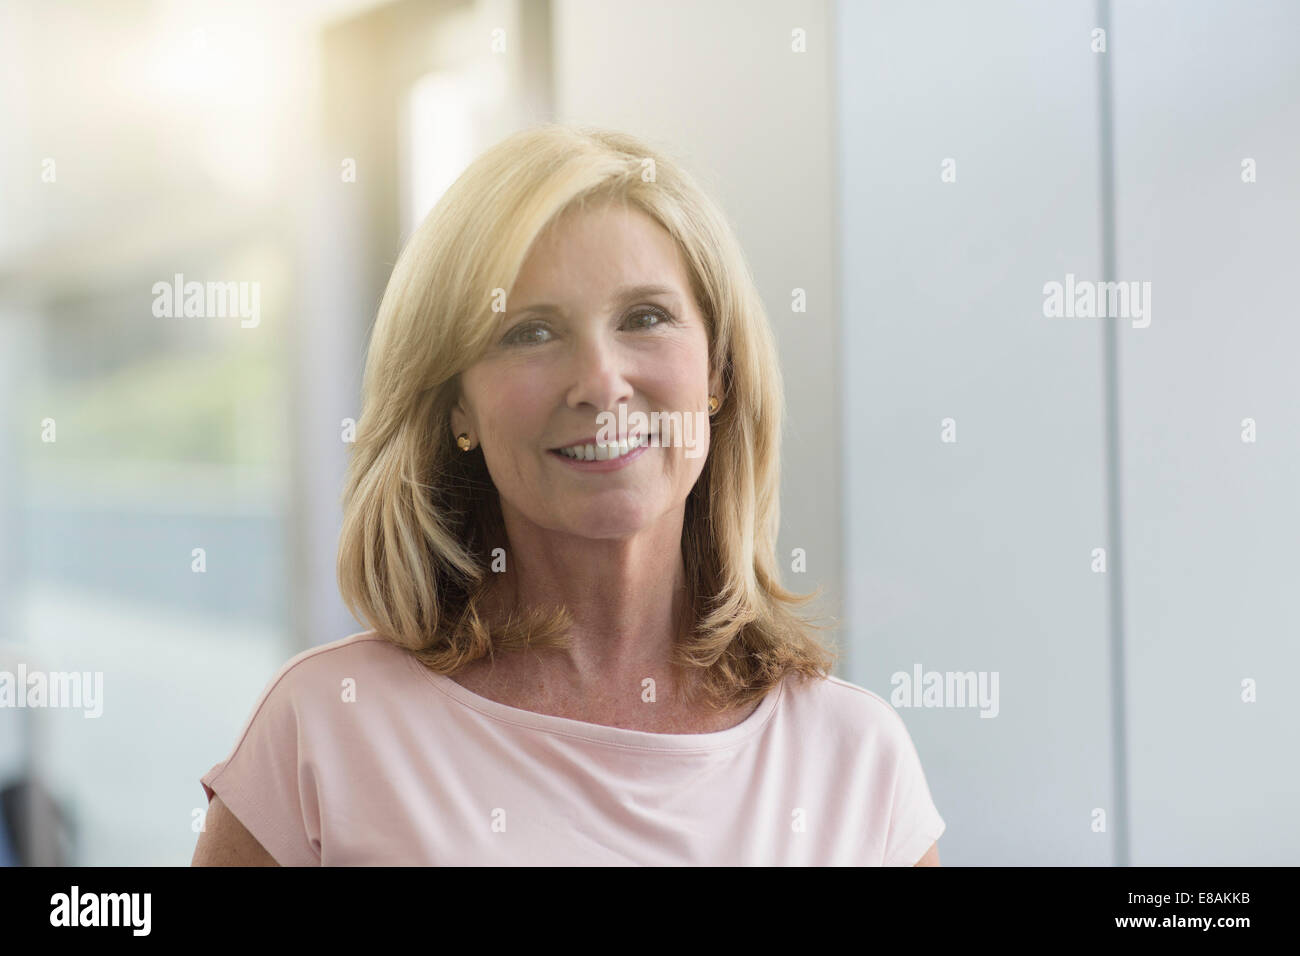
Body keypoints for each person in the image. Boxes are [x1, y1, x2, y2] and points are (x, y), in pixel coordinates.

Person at [191, 124, 945, 866]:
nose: (600, 383)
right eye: (530, 332)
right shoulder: (326, 731)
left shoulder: (855, 759)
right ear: (457, 405)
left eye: (645, 318)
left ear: (718, 371)